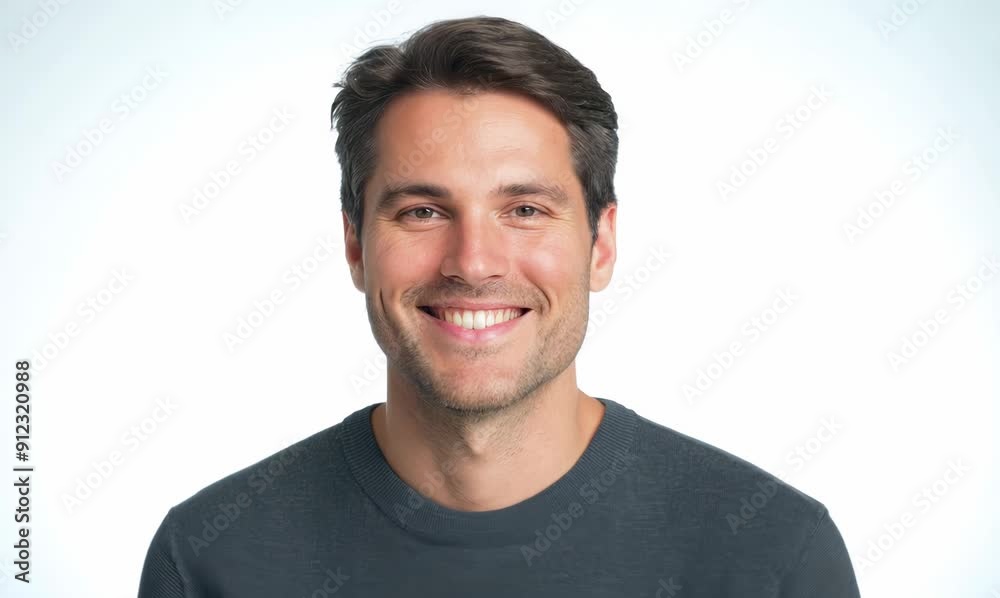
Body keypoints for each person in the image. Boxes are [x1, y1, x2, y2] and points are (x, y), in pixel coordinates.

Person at [138, 15, 861, 597]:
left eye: (523, 208)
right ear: (356, 246)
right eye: (422, 211)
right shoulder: (212, 560)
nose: (473, 262)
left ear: (601, 245)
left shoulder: (771, 560)